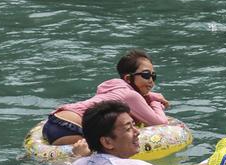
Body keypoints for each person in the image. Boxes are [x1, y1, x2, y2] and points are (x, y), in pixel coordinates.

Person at [42, 49, 170, 147]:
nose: (151, 81)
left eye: (153, 76)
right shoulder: (131, 96)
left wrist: (149, 96)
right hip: (71, 128)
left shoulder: (112, 87)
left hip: (53, 122)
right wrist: (155, 102)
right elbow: (161, 124)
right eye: (146, 75)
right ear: (128, 78)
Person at [67, 101, 207, 165]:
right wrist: (215, 161)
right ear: (107, 142)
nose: (138, 132)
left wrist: (81, 156)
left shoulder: (78, 164)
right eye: (128, 128)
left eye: (134, 125)